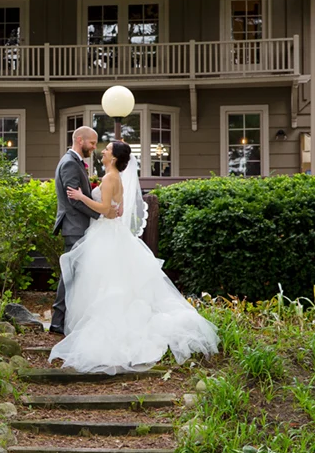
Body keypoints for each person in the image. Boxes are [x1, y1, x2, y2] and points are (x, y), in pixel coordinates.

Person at [49, 141, 219, 374]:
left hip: (106, 234)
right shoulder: (114, 176)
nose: (104, 151)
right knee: (112, 282)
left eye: (107, 149)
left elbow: (105, 209)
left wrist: (80, 196)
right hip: (113, 232)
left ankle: (105, 328)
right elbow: (116, 209)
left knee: (105, 283)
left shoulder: (111, 178)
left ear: (115, 157)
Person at [50, 126, 119, 335]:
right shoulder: (70, 163)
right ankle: (58, 321)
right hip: (74, 226)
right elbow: (75, 200)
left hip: (77, 225)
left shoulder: (75, 162)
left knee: (74, 274)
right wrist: (101, 215)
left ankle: (63, 319)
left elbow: (81, 195)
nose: (94, 147)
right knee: (70, 274)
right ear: (80, 140)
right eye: (91, 143)